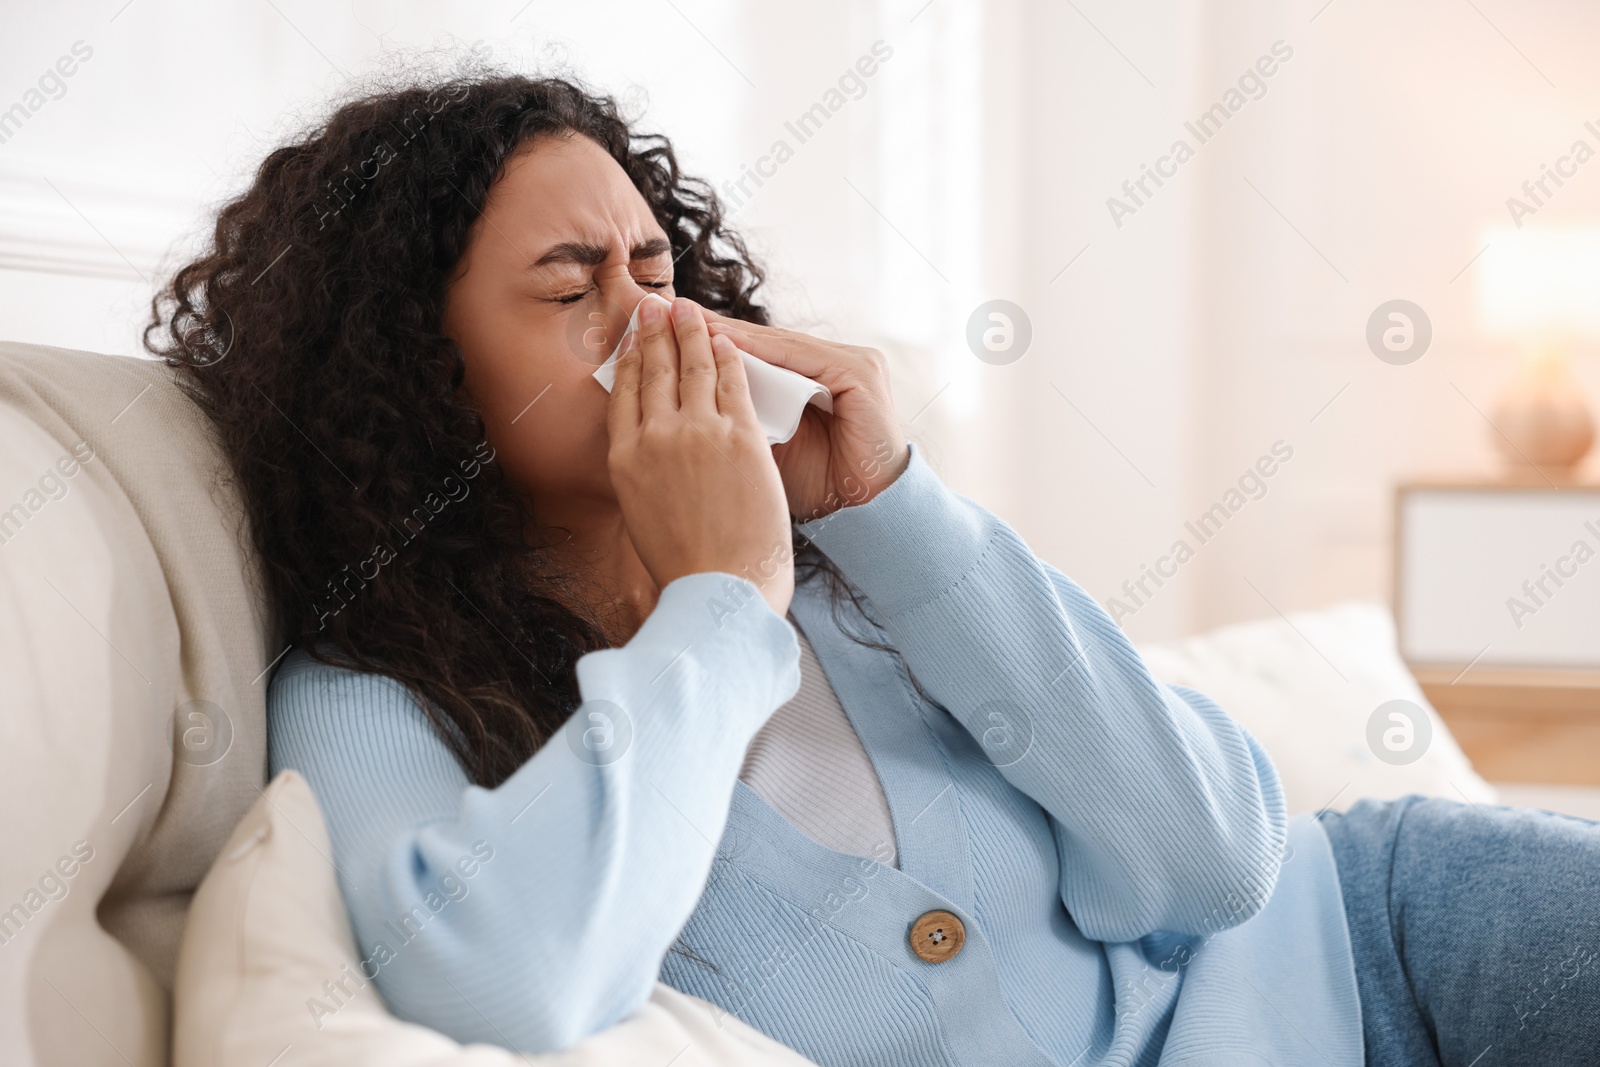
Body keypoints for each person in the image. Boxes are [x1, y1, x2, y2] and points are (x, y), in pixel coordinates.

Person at [148, 69, 1600, 1067]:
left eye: (656, 270)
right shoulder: (373, 698)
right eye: (572, 287)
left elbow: (1220, 856)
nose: (654, 324)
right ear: (416, 365)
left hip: (1384, 938)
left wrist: (895, 511)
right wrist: (718, 602)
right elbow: (507, 984)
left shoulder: (865, 568)